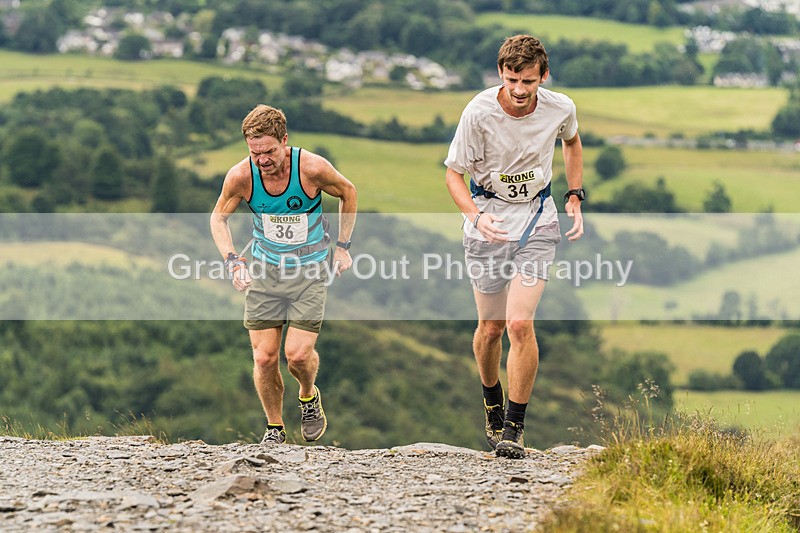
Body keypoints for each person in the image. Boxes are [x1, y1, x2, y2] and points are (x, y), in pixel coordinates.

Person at [444, 35, 585, 459]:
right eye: (511, 80)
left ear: (544, 76)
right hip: (487, 220)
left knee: (520, 324)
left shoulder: (561, 106)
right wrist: (474, 215)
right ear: (500, 75)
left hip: (537, 219)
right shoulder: (479, 111)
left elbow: (572, 142)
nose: (520, 90)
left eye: (528, 80)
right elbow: (452, 174)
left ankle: (514, 428)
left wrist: (574, 193)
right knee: (492, 328)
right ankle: (492, 398)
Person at [210, 104, 357, 445]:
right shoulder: (241, 176)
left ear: (284, 140)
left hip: (310, 270)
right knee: (263, 358)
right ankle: (274, 428)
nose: (262, 160)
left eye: (269, 151)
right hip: (264, 270)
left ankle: (308, 394)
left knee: (298, 356)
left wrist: (343, 245)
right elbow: (218, 217)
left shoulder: (312, 168)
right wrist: (233, 260)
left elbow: (348, 192)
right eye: (254, 152)